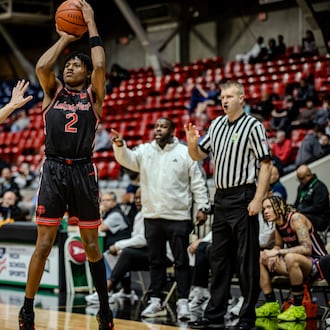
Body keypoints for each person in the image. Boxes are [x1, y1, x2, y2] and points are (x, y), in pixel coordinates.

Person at [18, 1, 114, 330]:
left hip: (83, 171)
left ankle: (104, 308)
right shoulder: (52, 92)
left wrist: (90, 21)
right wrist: (65, 39)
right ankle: (27, 309)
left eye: (76, 64)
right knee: (43, 243)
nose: (70, 67)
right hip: (54, 170)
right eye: (69, 64)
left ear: (87, 75)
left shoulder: (93, 96)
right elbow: (42, 68)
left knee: (90, 245)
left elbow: (100, 64)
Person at [184, 80, 272, 329]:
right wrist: (191, 143)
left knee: (247, 259)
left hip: (244, 197)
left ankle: (246, 316)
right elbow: (198, 155)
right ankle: (214, 315)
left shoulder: (253, 125)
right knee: (218, 258)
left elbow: (266, 164)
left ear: (242, 99)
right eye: (222, 96)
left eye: (230, 96)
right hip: (221, 197)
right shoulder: (217, 124)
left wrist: (258, 198)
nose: (224, 100)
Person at [111, 117, 211, 321]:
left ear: (172, 131)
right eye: (156, 126)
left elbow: (198, 182)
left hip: (178, 216)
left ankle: (183, 301)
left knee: (181, 261)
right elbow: (128, 159)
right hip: (151, 215)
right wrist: (120, 146)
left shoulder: (184, 152)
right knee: (155, 261)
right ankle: (156, 300)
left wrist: (202, 206)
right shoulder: (146, 150)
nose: (158, 130)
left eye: (163, 127)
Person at [255, 196, 326, 321]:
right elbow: (277, 245)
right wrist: (273, 253)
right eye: (264, 208)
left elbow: (307, 248)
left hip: (317, 264)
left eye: (269, 207)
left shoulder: (296, 218)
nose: (265, 211)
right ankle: (271, 304)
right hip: (296, 266)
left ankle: (298, 308)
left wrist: (280, 252)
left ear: (280, 207)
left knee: (290, 257)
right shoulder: (278, 224)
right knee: (261, 256)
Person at [85, 188, 145, 305]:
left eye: (107, 200)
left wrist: (99, 212)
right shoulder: (134, 215)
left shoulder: (116, 215)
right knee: (114, 255)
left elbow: (99, 228)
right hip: (126, 247)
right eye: (102, 201)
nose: (104, 203)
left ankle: (106, 292)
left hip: (125, 246)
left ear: (114, 202)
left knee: (105, 257)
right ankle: (126, 291)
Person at [292, 164, 330, 232]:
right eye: (298, 179)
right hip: (303, 213)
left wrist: (300, 212)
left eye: (301, 178)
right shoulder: (301, 187)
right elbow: (296, 203)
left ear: (308, 175)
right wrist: (292, 209)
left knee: (298, 218)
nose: (300, 181)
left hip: (319, 217)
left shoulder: (319, 187)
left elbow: (318, 208)